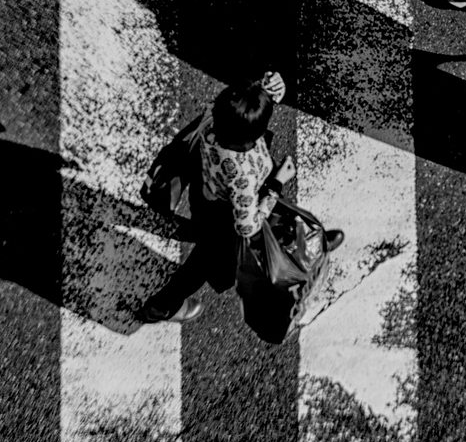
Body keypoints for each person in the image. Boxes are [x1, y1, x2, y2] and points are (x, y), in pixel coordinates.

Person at [134, 71, 344, 324]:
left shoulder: (216, 118)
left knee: (269, 222)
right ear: (250, 138)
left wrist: (267, 90)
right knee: (202, 264)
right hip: (227, 219)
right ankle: (161, 307)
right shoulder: (242, 175)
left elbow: (244, 107)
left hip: (207, 197)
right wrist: (276, 184)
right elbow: (247, 226)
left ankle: (310, 243)